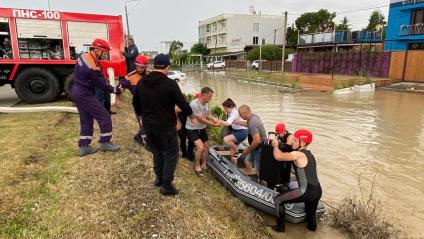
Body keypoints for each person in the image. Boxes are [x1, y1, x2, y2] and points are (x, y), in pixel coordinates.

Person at [132, 54, 193, 196]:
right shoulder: (170, 84)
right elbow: (183, 104)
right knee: (171, 154)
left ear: (154, 66)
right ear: (167, 67)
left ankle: (159, 179)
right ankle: (166, 185)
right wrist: (190, 113)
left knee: (157, 152)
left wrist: (141, 117)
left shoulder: (142, 82)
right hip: (165, 126)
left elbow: (135, 103)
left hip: (148, 125)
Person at [70, 38, 122, 156]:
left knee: (86, 119)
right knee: (104, 116)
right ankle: (105, 143)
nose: (106, 56)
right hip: (84, 93)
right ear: (98, 50)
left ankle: (83, 146)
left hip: (77, 90)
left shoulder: (84, 56)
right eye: (105, 53)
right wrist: (116, 90)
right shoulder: (92, 66)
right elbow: (102, 85)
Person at [271, 129, 322, 232]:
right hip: (317, 191)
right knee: (311, 217)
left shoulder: (298, 154)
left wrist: (275, 145)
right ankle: (312, 233)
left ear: (302, 143)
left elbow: (278, 156)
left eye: (295, 140)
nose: (292, 142)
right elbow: (307, 174)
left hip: (305, 191)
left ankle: (280, 229)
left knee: (278, 200)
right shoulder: (310, 155)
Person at [185, 87, 220, 175]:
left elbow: (207, 114)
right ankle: (197, 166)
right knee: (200, 147)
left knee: (206, 146)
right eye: (210, 96)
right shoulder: (194, 104)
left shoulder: (206, 102)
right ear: (204, 95)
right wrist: (213, 124)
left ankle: (204, 164)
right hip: (192, 129)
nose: (211, 98)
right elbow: (201, 119)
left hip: (202, 128)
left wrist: (214, 119)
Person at [120, 55, 149, 144]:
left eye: (142, 67)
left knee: (148, 123)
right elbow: (120, 86)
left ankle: (138, 137)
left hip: (149, 104)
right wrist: (118, 98)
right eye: (137, 67)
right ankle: (146, 142)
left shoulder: (150, 75)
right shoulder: (130, 76)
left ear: (146, 66)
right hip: (138, 104)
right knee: (143, 124)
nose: (139, 69)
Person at [238, 105, 267, 175]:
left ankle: (262, 184)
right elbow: (247, 124)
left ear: (244, 113)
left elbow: (257, 141)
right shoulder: (253, 117)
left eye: (240, 114)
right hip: (255, 147)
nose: (240, 116)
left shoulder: (252, 122)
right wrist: (238, 122)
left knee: (258, 170)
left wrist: (247, 150)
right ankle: (250, 178)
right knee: (247, 161)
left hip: (260, 148)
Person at [217, 98, 248, 164]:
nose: (226, 111)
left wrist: (218, 121)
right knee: (233, 156)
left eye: (226, 109)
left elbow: (228, 123)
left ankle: (236, 149)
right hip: (236, 132)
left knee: (226, 139)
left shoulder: (235, 113)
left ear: (231, 107)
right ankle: (234, 167)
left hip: (241, 132)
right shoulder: (231, 113)